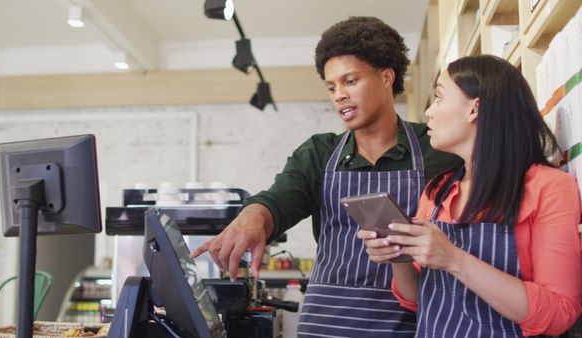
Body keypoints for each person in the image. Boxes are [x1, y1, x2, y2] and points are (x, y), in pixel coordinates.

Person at [193, 16, 461, 336]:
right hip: (326, 325)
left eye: (350, 81)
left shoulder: (435, 151)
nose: (339, 95)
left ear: (387, 76)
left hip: (410, 324)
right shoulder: (319, 154)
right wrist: (253, 216)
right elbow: (278, 200)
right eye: (331, 86)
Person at [359, 55, 582, 337]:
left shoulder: (548, 187)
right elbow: (417, 298)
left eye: (438, 97)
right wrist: (397, 257)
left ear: (474, 109)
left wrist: (453, 259)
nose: (428, 112)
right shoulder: (437, 192)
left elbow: (560, 313)